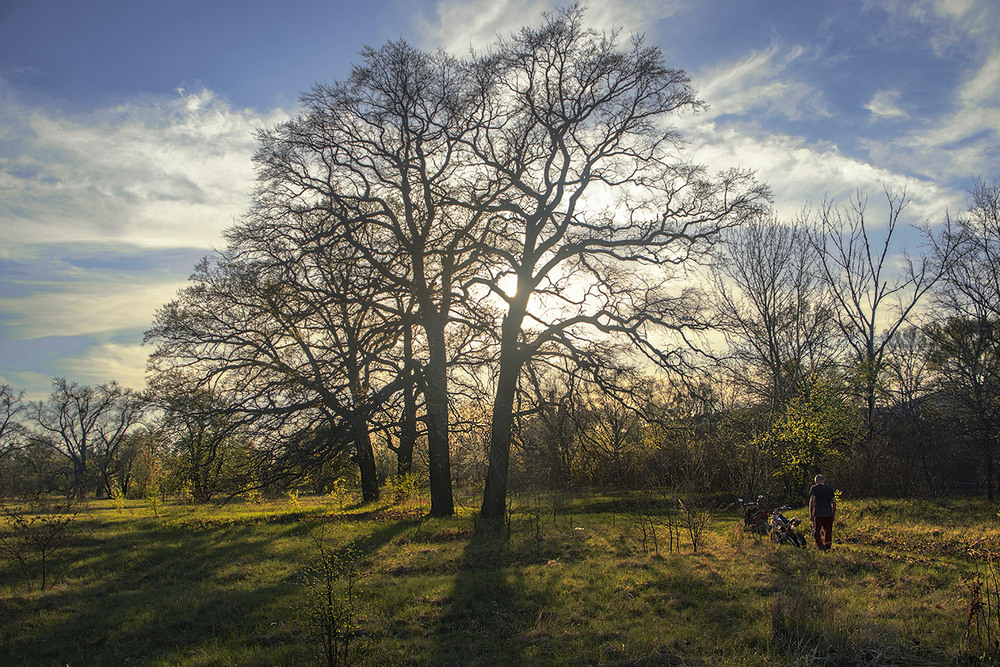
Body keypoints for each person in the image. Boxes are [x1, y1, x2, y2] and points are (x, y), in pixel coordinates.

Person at [808, 474, 836, 551]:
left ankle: (820, 546)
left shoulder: (814, 489)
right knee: (828, 531)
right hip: (829, 512)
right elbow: (834, 502)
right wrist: (833, 513)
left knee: (816, 532)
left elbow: (812, 500)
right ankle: (828, 547)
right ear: (823, 480)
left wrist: (811, 513)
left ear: (816, 481)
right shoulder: (829, 489)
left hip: (819, 513)